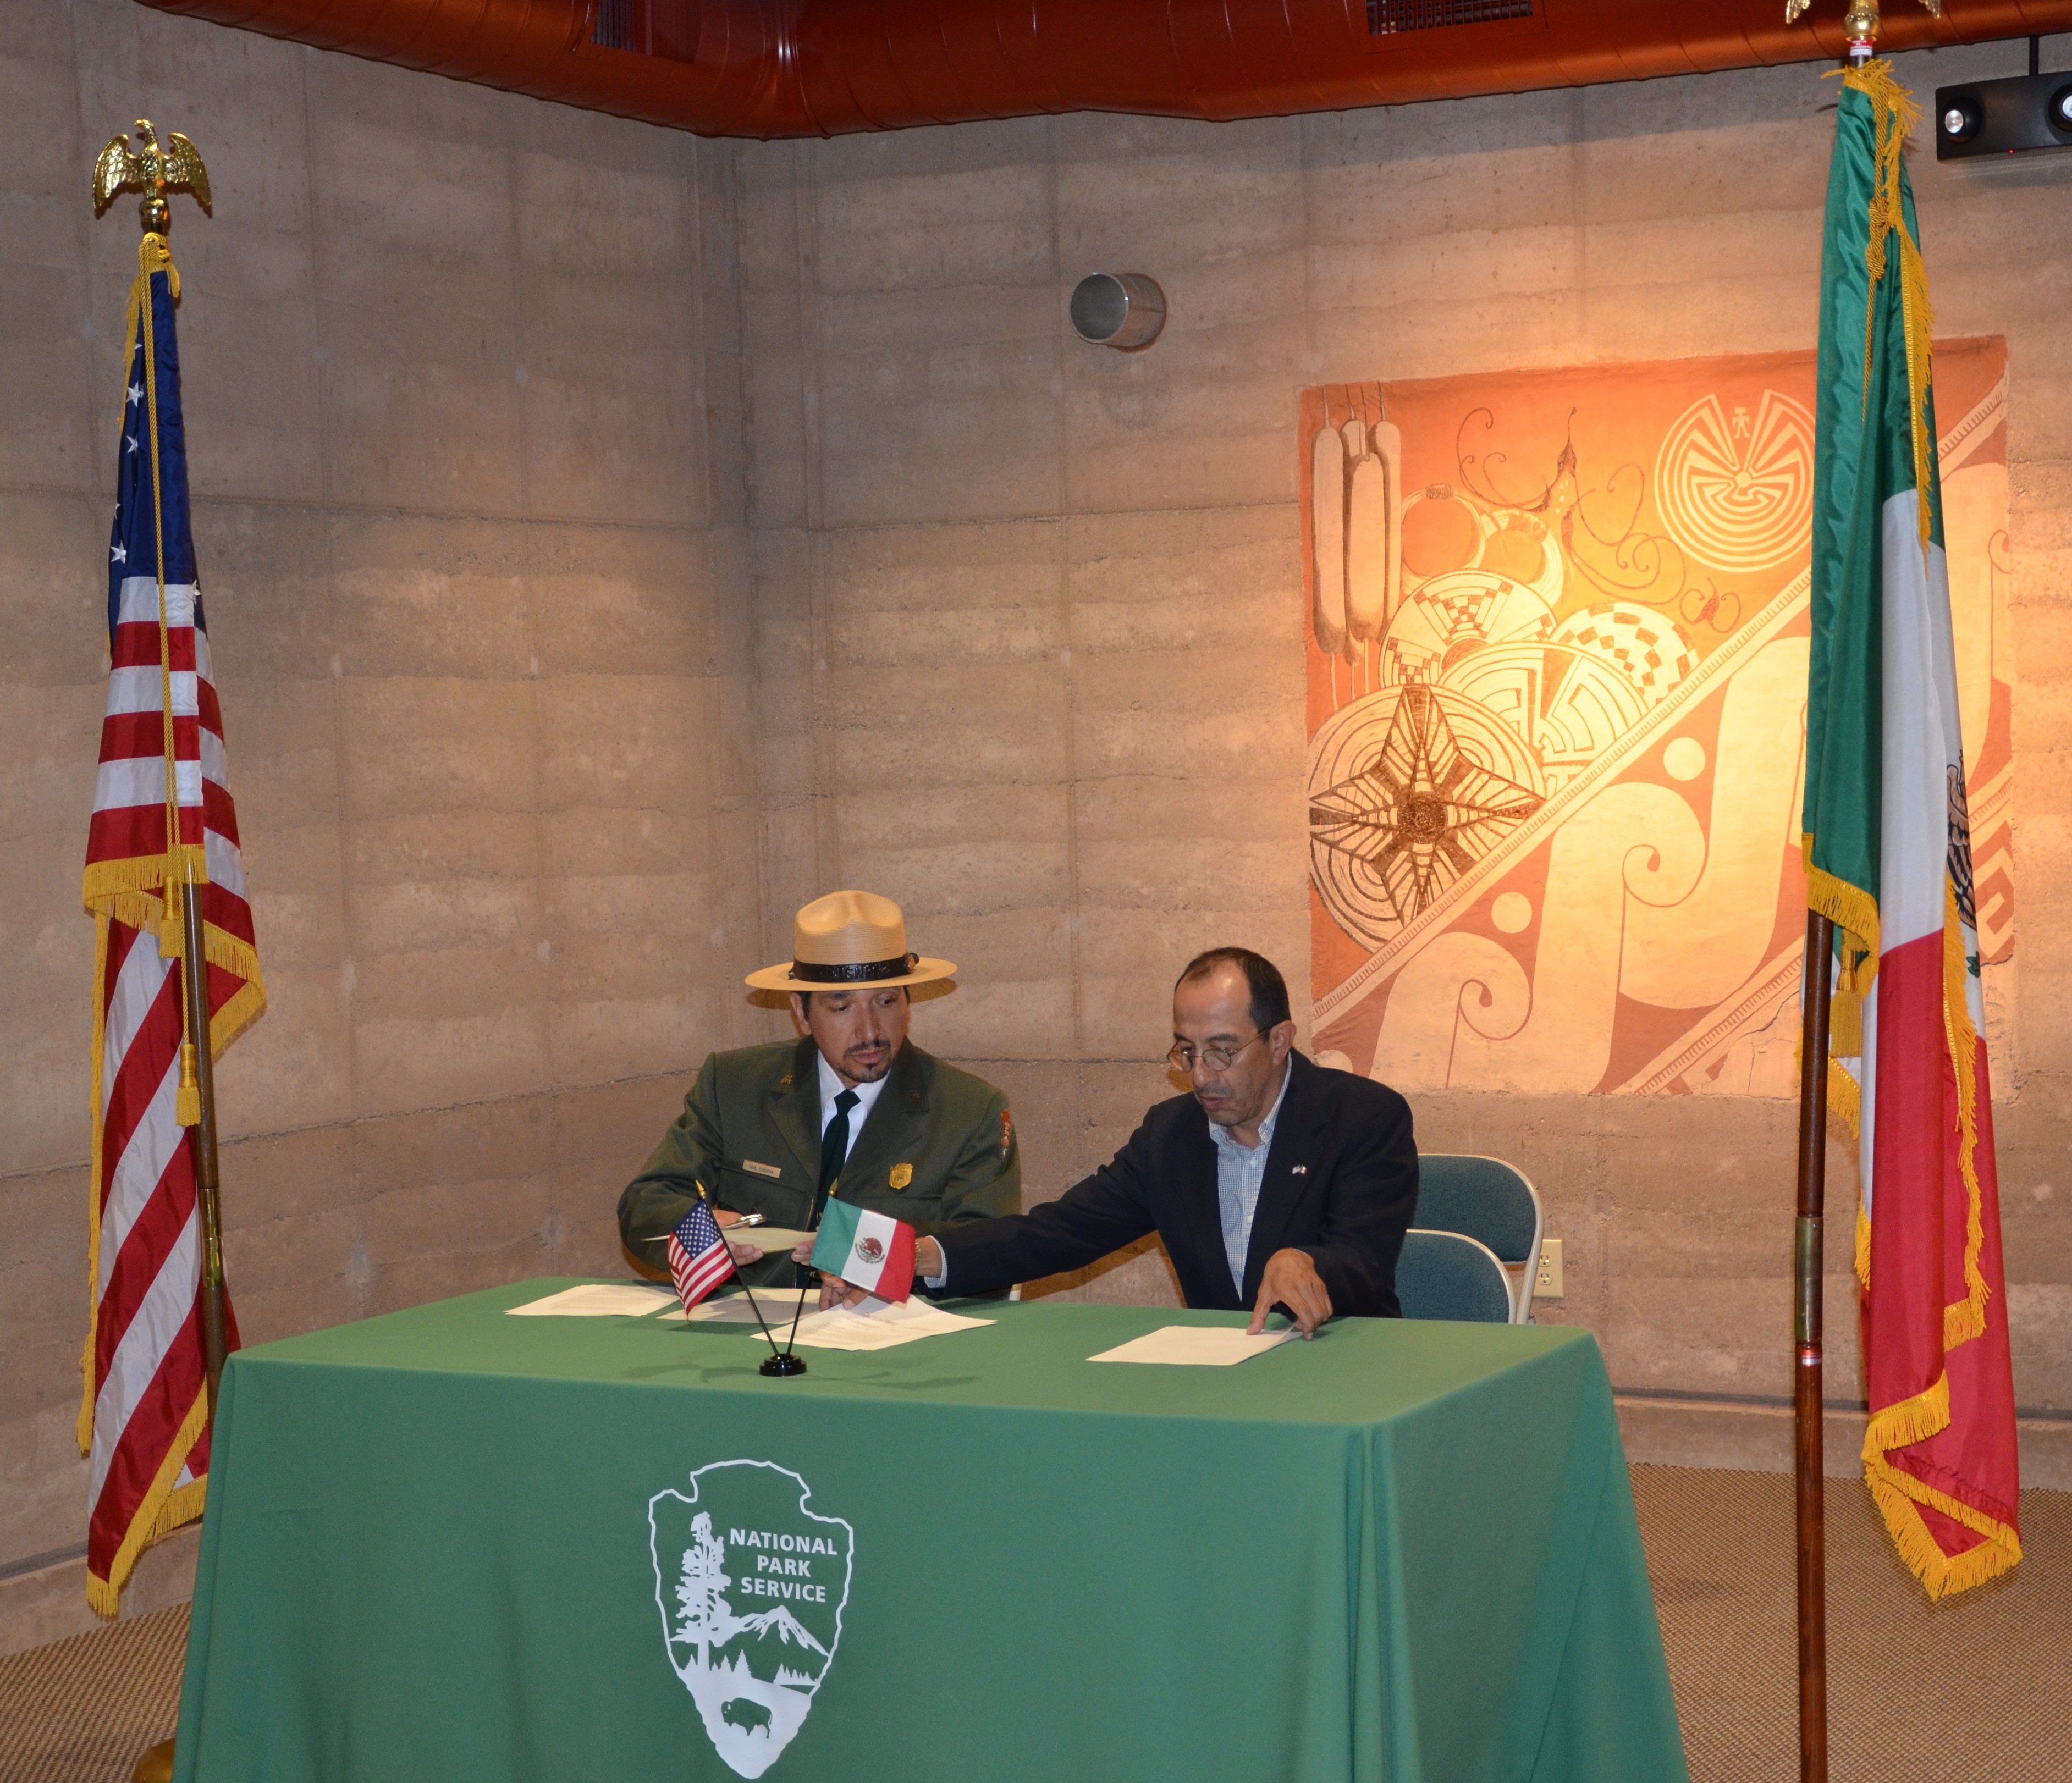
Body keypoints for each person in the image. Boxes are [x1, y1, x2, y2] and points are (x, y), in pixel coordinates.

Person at [813, 947, 1416, 1335]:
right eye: (1186, 1051)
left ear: (1280, 1040)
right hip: (1222, 1389)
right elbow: (1058, 1232)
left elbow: (1365, 1260)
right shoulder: (1171, 1135)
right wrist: (911, 1258)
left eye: (1223, 1052)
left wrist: (1306, 1261)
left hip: (1342, 1367)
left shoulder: (1362, 1117)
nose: (1201, 1074)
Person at [619, 890, 1020, 1288]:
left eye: (885, 1001)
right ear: (801, 1011)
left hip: (892, 1339)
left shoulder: (970, 1111)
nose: (870, 1031)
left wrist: (875, 1265)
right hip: (753, 1332)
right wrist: (703, 1231)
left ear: (908, 1002)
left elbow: (989, 1254)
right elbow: (646, 1205)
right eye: (842, 1008)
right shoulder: (735, 1086)